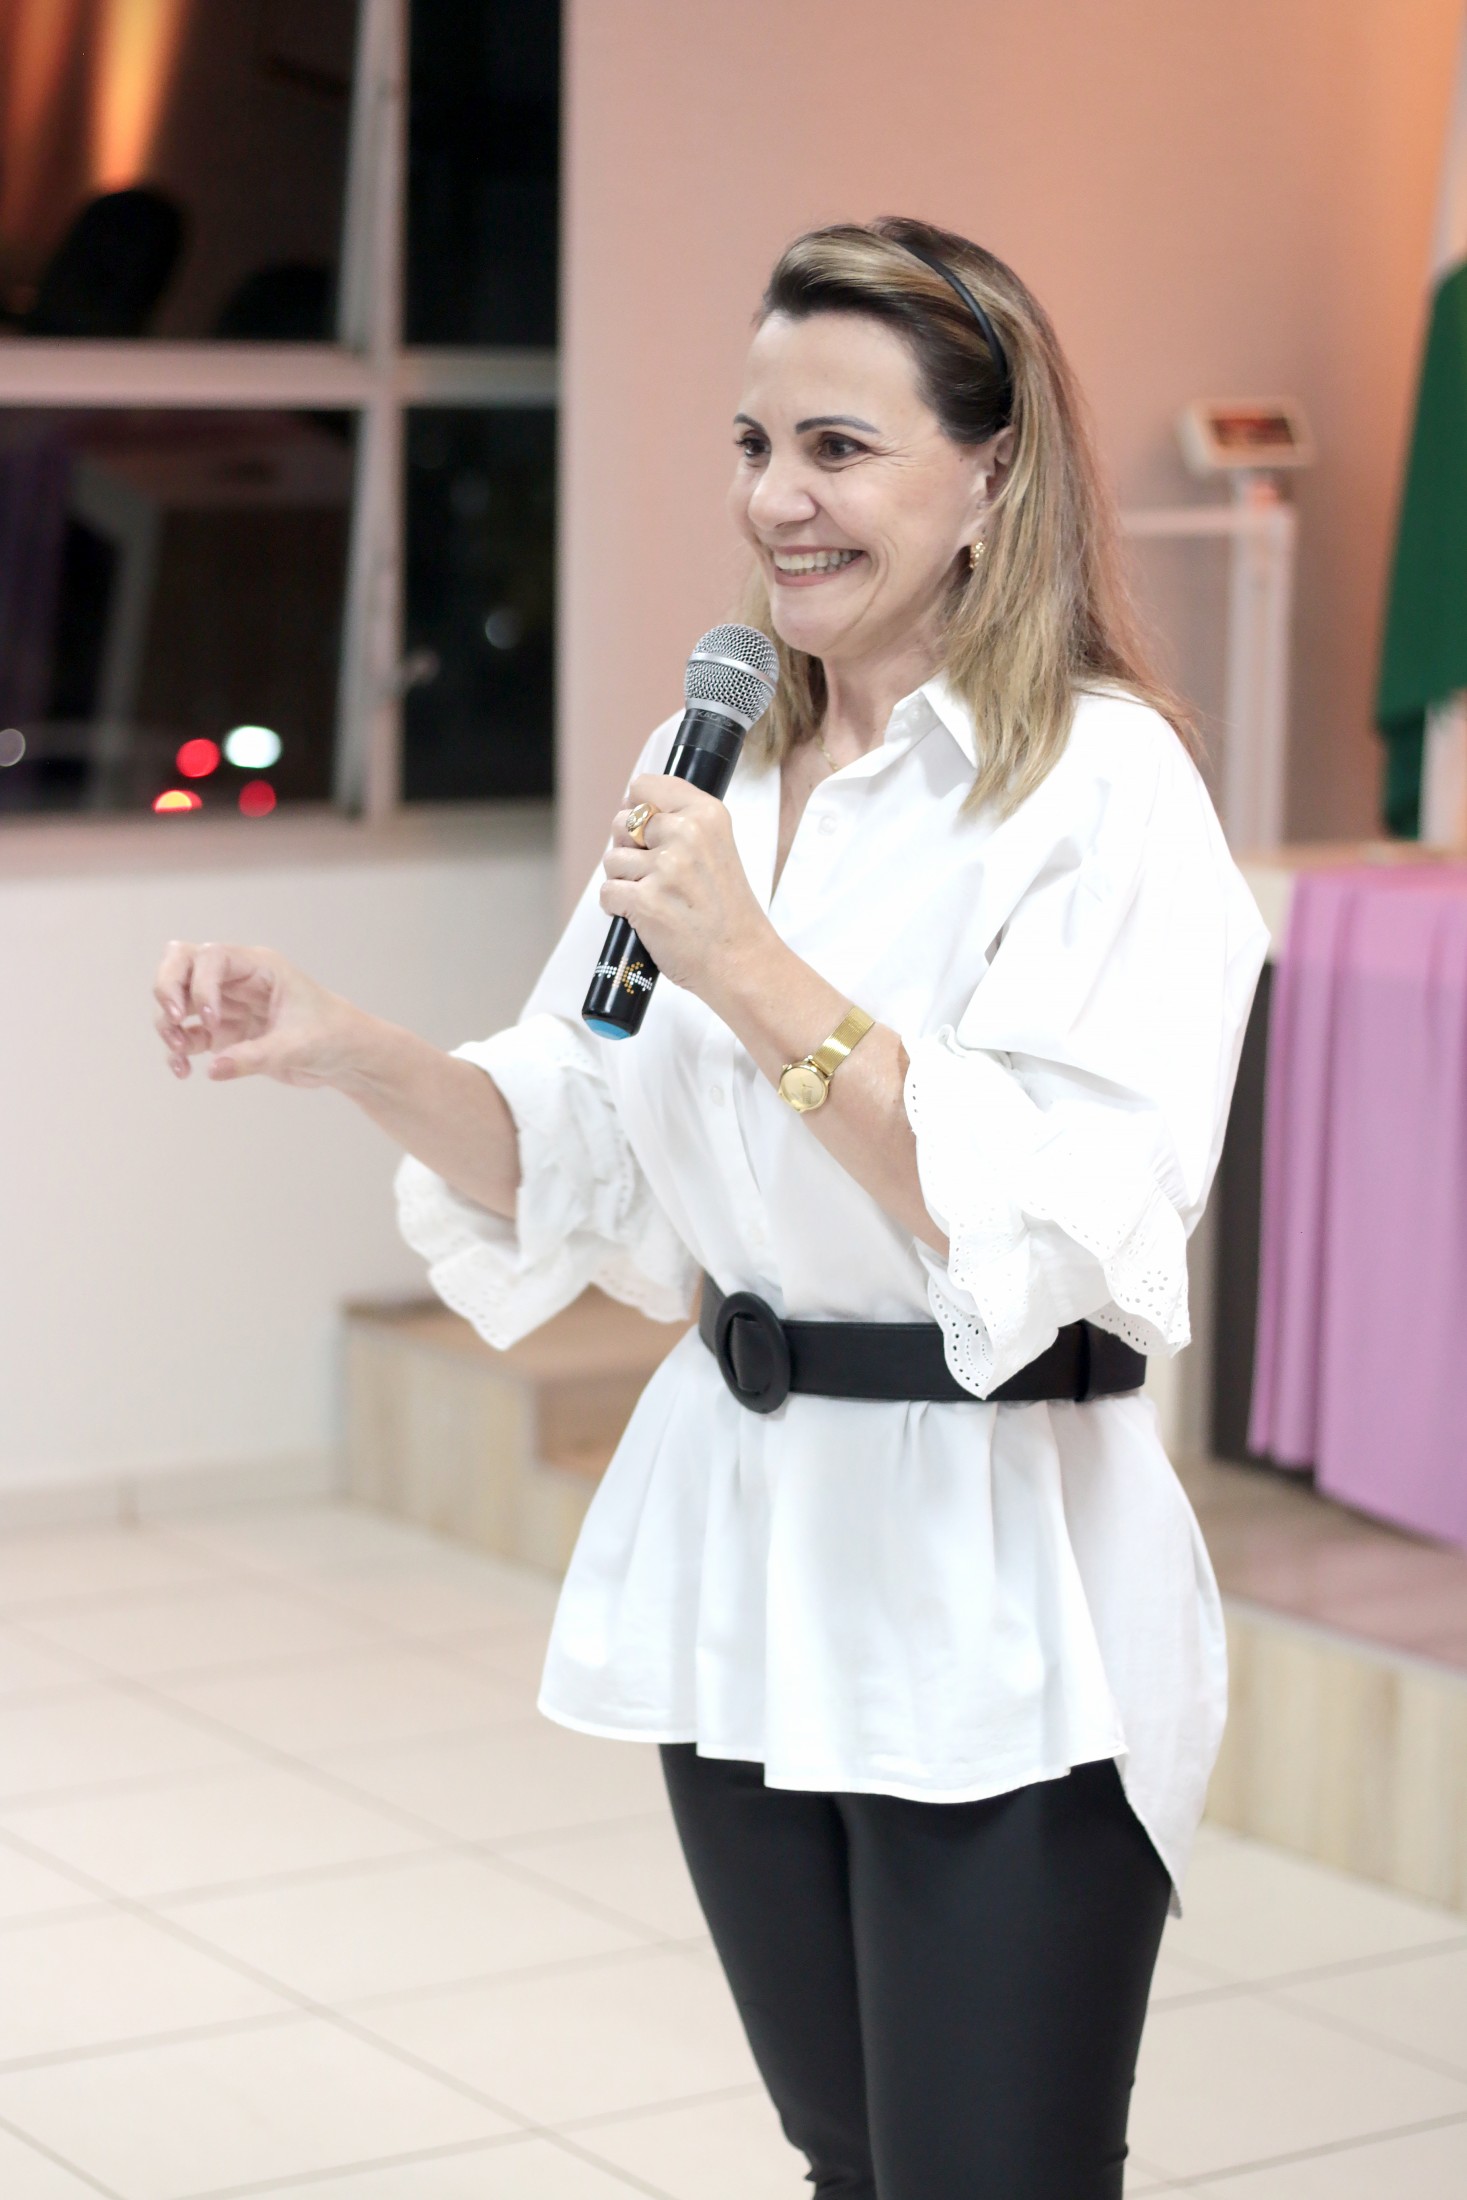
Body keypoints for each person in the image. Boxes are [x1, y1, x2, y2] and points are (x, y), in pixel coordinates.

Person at [154, 217, 1269, 2200]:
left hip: (992, 1570)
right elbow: (576, 1140)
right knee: (845, 2153)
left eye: (838, 447)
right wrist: (343, 1046)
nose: (776, 500)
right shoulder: (722, 766)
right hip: (744, 1547)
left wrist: (751, 966)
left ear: (990, 474)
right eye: (754, 445)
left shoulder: (1099, 788)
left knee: (986, 2168)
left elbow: (1050, 1218)